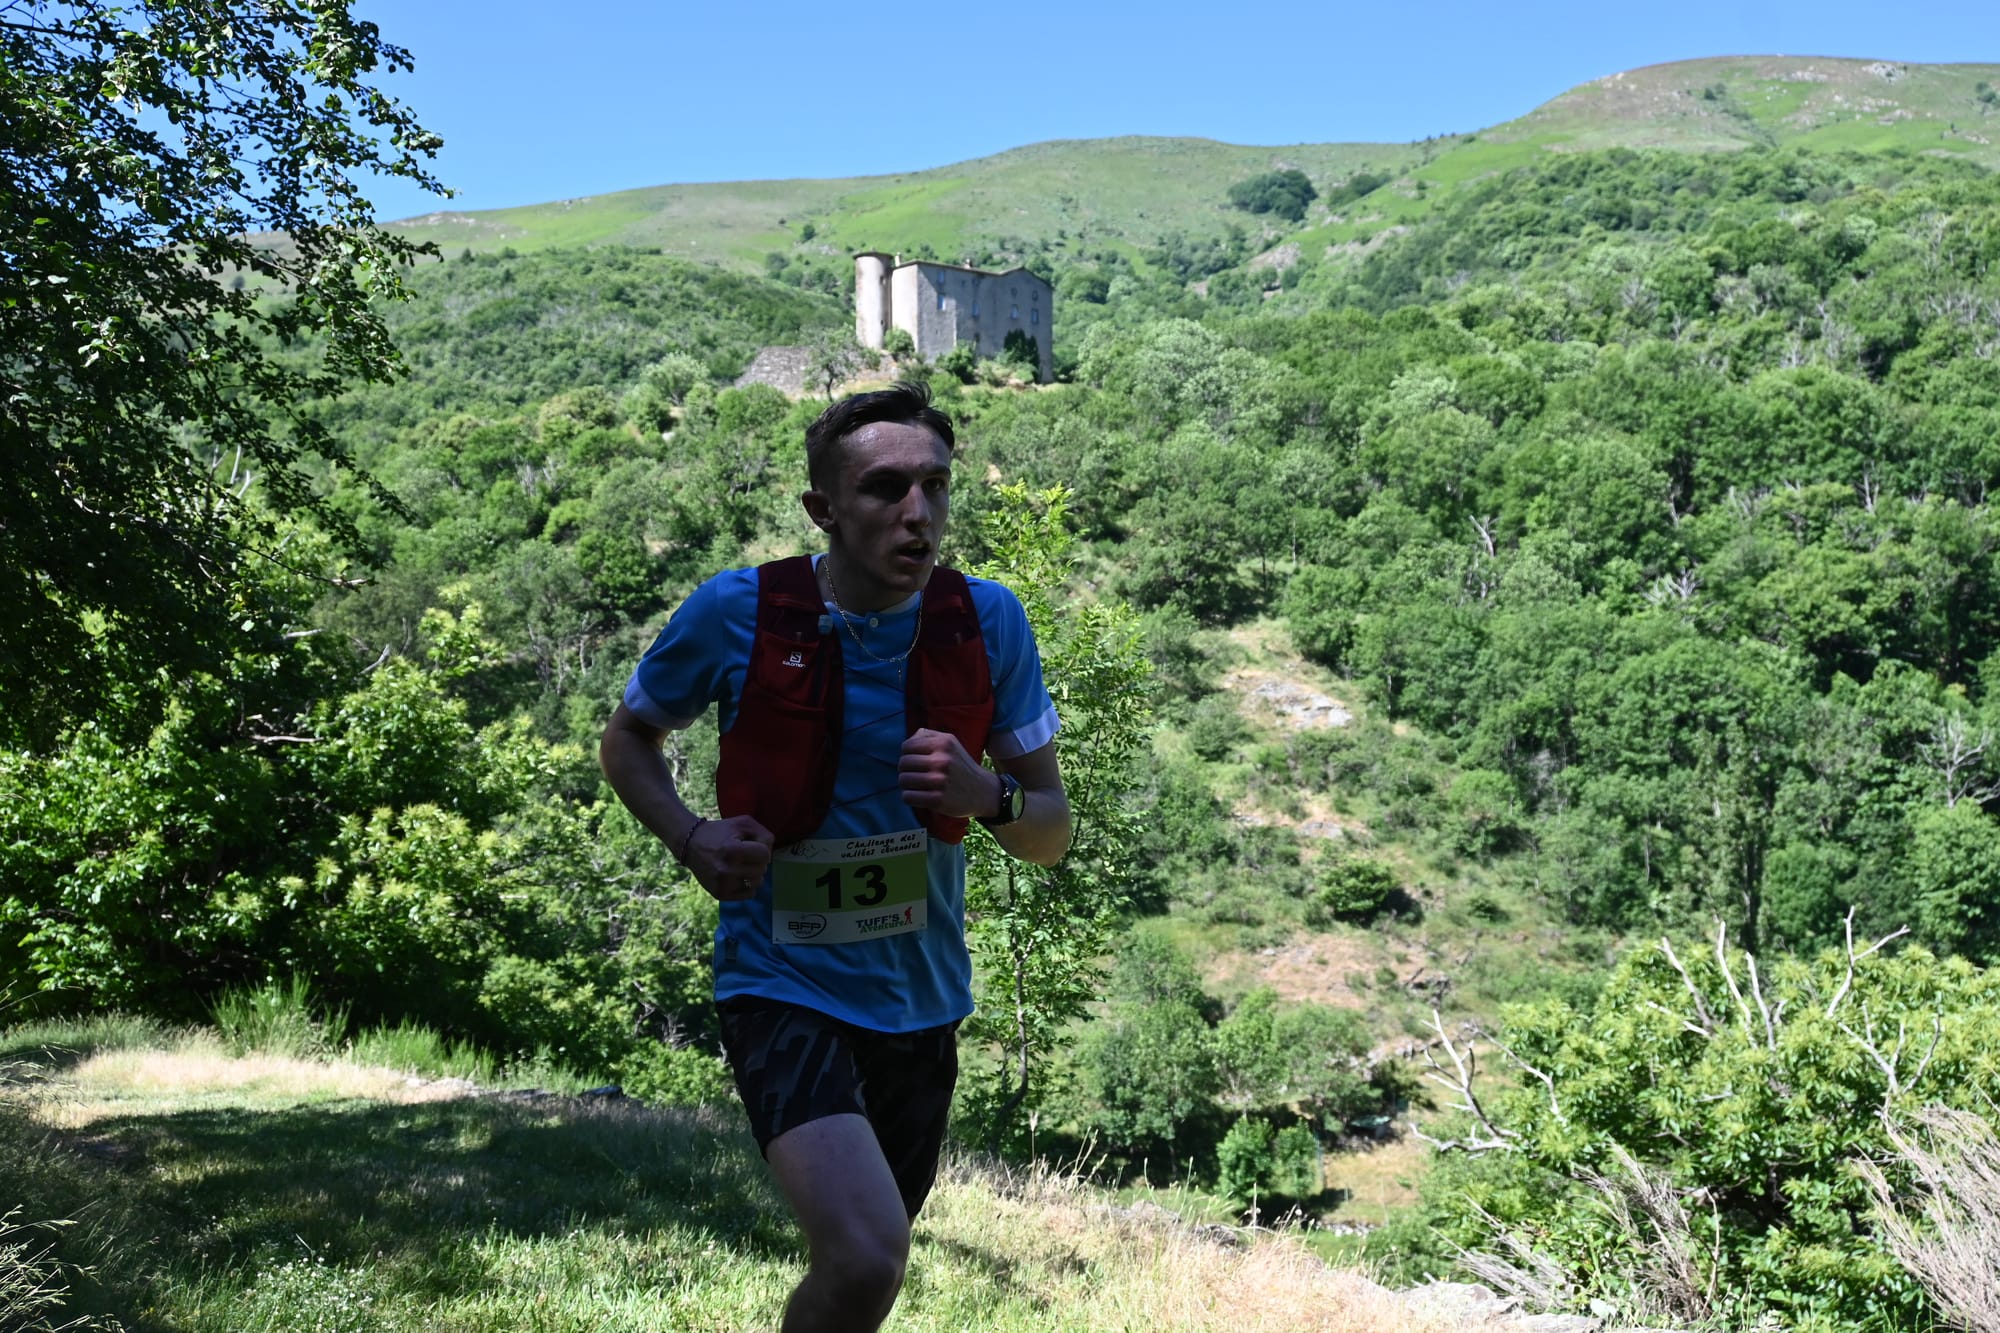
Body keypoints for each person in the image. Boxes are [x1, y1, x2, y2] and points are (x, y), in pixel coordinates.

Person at [599, 380, 1071, 1333]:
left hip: (921, 997)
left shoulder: (987, 622)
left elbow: (1051, 833)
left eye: (935, 487)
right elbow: (628, 739)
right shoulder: (737, 612)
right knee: (863, 1253)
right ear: (823, 509)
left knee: (868, 1276)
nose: (918, 513)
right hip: (780, 980)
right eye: (885, 488)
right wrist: (691, 837)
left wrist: (991, 796)